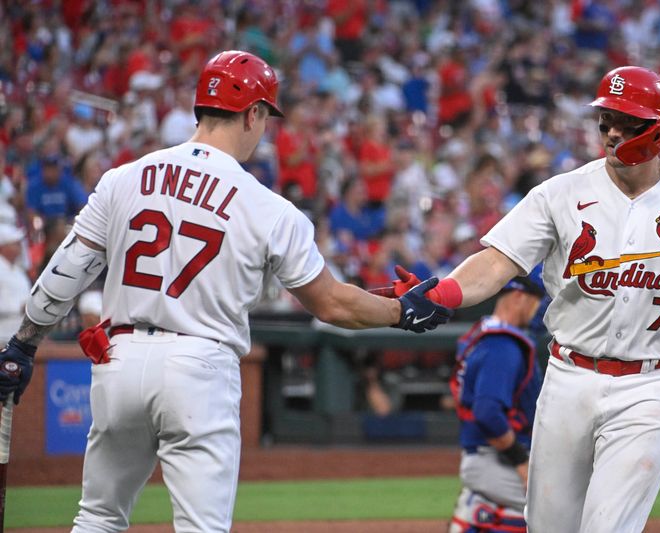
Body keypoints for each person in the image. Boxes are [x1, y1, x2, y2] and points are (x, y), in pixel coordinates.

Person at [0, 50, 452, 533]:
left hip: (120, 357)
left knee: (98, 519)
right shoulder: (268, 207)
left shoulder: (124, 177)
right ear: (253, 113)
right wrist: (400, 310)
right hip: (200, 365)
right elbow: (332, 303)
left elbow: (65, 272)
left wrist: (22, 344)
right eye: (265, 117)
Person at [388, 66, 660, 533]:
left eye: (628, 121)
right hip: (568, 377)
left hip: (653, 384)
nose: (613, 132)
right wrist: (441, 292)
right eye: (606, 120)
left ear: (657, 128)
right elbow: (498, 262)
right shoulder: (561, 193)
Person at [449, 267, 545, 533]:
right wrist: (520, 463)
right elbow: (488, 412)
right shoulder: (503, 346)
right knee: (564, 516)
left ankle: (479, 511)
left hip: (486, 456)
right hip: (498, 460)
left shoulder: (485, 333)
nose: (540, 311)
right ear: (519, 297)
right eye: (538, 302)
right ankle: (483, 515)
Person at [0, 223, 30, 343]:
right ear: (3, 247)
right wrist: (19, 307)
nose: (20, 247)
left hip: (21, 337)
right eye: (15, 244)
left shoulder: (19, 272)